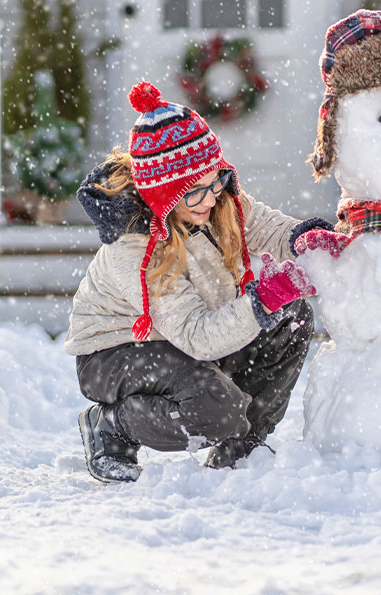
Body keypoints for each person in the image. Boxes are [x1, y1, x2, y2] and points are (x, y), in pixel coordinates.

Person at [65, 82, 345, 483]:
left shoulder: (212, 200)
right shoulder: (135, 246)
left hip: (182, 339)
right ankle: (110, 425)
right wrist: (260, 300)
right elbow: (197, 335)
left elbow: (262, 226)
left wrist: (300, 238)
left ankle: (241, 445)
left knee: (291, 316)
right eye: (197, 192)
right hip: (117, 351)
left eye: (217, 182)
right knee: (215, 407)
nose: (213, 198)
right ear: (165, 194)